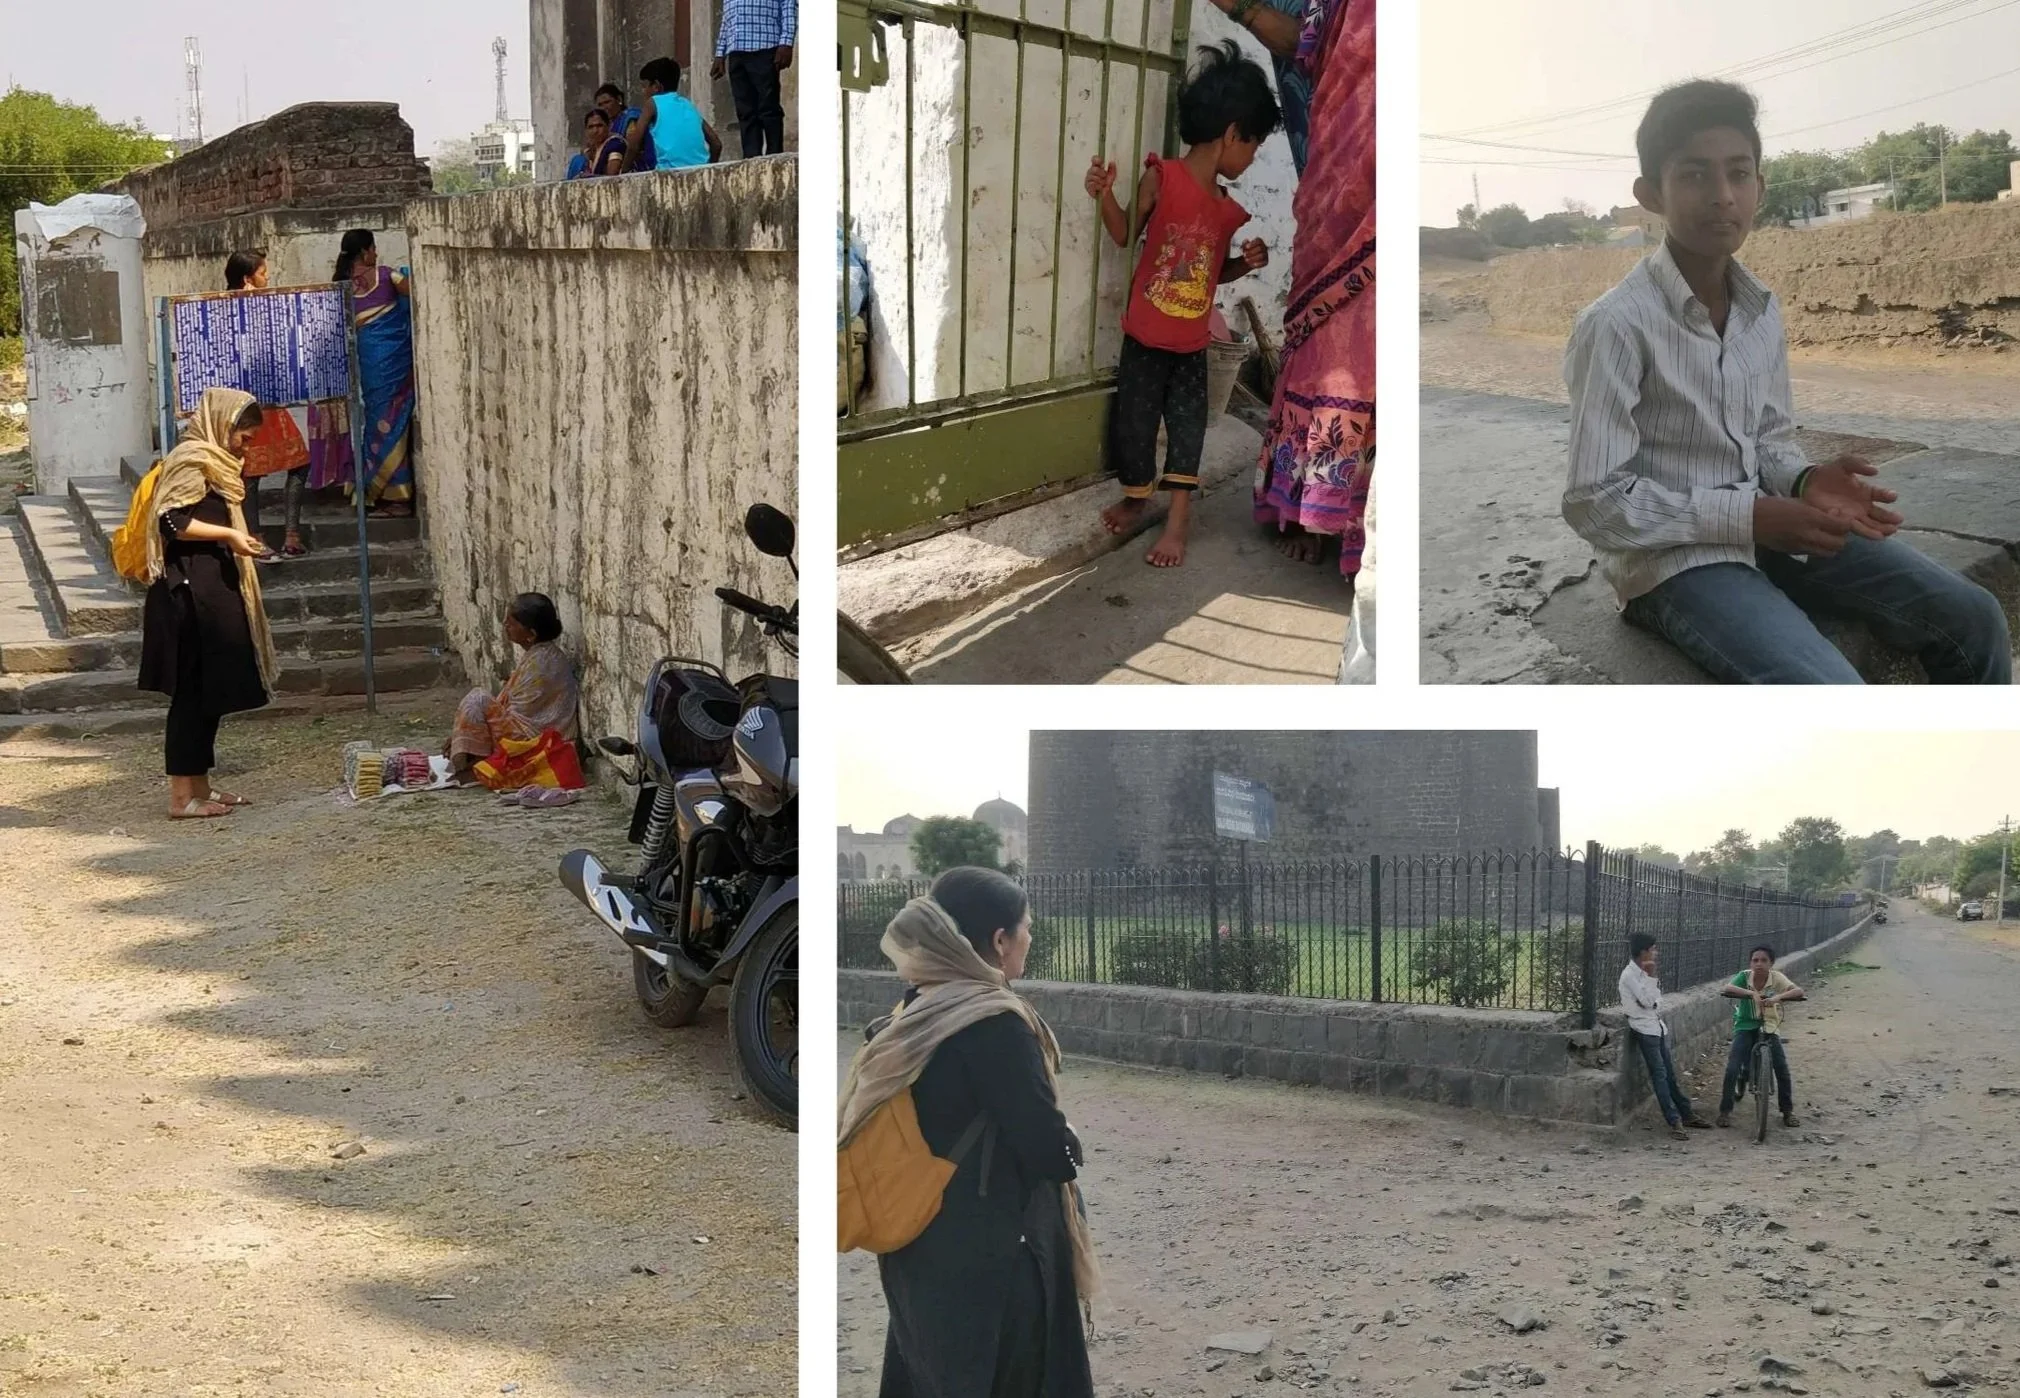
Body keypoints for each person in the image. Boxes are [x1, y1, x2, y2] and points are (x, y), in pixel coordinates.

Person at [1562, 80, 2010, 684]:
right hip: (1674, 563)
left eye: (1738, 173)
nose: (1722, 196)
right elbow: (1597, 502)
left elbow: (1768, 439)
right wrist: (1748, 517)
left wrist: (1804, 479)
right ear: (1652, 194)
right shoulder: (1614, 325)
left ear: (1760, 188)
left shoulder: (1759, 308)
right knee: (1830, 689)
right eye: (1695, 175)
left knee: (1976, 615)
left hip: (1774, 530)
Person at [838, 867, 1097, 1397]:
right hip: (995, 1253)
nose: (1030, 936)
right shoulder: (993, 1022)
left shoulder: (918, 1007)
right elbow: (1043, 1147)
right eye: (1025, 927)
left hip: (922, 1239)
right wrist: (1066, 1142)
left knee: (930, 1370)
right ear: (1000, 941)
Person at [1085, 41, 1278, 568]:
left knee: (1188, 432)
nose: (1253, 156)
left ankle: (1177, 524)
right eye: (1254, 145)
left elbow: (1210, 277)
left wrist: (1246, 265)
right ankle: (1135, 496)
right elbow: (1125, 234)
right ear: (1233, 132)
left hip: (1193, 344)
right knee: (1135, 424)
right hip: (1145, 336)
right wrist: (1103, 195)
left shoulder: (1226, 211)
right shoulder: (1160, 177)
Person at [1229, 0, 1374, 576]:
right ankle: (1308, 514)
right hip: (1338, 183)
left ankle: (1353, 516)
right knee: (1329, 337)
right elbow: (1302, 44)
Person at [137, 388, 278, 820]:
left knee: (209, 693)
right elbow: (170, 521)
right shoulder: (191, 460)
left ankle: (200, 786)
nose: (244, 446)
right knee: (191, 695)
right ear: (222, 425)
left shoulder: (219, 465)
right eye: (243, 436)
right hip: (186, 596)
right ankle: (181, 798)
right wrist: (230, 536)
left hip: (211, 591)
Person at [307, 230, 417, 518]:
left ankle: (373, 488)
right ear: (366, 252)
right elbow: (418, 294)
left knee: (376, 423)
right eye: (374, 248)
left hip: (368, 366)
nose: (376, 253)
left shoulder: (341, 287)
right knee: (392, 424)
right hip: (395, 362)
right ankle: (397, 497)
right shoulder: (388, 276)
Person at [223, 251, 313, 558]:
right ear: (248, 280)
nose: (268, 278)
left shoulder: (265, 308)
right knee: (249, 473)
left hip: (270, 402)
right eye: (263, 273)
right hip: (243, 407)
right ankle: (255, 537)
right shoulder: (225, 311)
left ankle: (290, 533)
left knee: (299, 462)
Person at [445, 592, 581, 782]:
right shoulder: (538, 654)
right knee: (479, 702)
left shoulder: (542, 662)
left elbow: (519, 718)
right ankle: (472, 758)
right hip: (528, 731)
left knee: (478, 699)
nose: (505, 626)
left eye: (511, 622)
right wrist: (462, 734)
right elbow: (505, 704)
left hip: (535, 741)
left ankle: (476, 763)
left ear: (531, 634)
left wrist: (469, 733)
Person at [1619, 932, 1712, 1140]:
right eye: (1653, 949)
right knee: (1660, 1075)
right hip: (1644, 1029)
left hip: (1656, 1027)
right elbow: (1647, 1001)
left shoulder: (1643, 973)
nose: (1656, 953)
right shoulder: (1630, 975)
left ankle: (1686, 1114)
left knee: (1669, 1074)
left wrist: (1651, 986)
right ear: (1643, 951)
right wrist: (1652, 978)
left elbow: (1657, 1001)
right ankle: (1674, 1120)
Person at [1716, 945, 1805, 1128]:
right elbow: (1727, 987)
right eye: (1755, 960)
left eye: (1764, 960)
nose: (1759, 964)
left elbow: (1798, 991)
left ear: (1771, 963)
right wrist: (1751, 993)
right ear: (1750, 963)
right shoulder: (1744, 976)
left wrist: (1777, 998)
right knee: (1732, 1067)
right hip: (1745, 1025)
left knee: (1781, 1068)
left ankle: (1787, 1111)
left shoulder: (1776, 978)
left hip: (1769, 1026)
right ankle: (1725, 1111)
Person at [710, 0, 795, 159]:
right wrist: (720, 53)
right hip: (736, 51)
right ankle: (751, 157)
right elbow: (727, 18)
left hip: (764, 46)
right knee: (745, 110)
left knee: (768, 108)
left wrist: (786, 43)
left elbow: (788, 6)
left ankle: (774, 156)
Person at [623, 58, 723, 173]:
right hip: (700, 171)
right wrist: (709, 169)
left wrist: (623, 174)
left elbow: (634, 145)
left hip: (669, 173)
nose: (643, 91)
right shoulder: (688, 104)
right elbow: (716, 143)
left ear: (656, 86)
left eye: (644, 86)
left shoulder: (652, 103)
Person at [594, 83, 655, 172]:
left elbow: (632, 146)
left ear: (619, 99)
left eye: (607, 102)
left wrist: (624, 170)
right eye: (600, 105)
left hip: (635, 166)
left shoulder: (630, 117)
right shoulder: (608, 124)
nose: (604, 108)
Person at [566, 108, 628, 180]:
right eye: (591, 127)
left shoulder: (615, 144)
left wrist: (585, 177)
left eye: (599, 126)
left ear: (609, 126)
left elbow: (612, 178)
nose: (595, 131)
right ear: (586, 130)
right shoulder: (590, 149)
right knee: (578, 161)